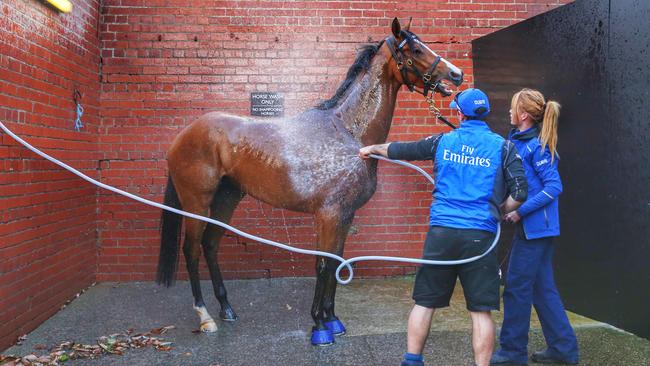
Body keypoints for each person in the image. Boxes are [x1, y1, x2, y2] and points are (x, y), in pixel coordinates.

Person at [359, 88, 528, 366]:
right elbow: (520, 191)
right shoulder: (503, 146)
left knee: (425, 302)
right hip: (480, 236)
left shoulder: (443, 141)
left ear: (459, 113)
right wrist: (498, 212)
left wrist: (371, 149)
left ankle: (412, 361)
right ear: (484, 113)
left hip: (442, 234)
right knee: (481, 311)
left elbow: (403, 150)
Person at [490, 89, 579, 365]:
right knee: (543, 289)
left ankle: (512, 352)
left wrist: (519, 211)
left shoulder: (538, 146)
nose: (508, 112)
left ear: (524, 115)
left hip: (536, 230)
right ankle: (564, 350)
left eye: (513, 107)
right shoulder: (517, 141)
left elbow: (554, 186)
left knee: (516, 288)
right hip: (534, 230)